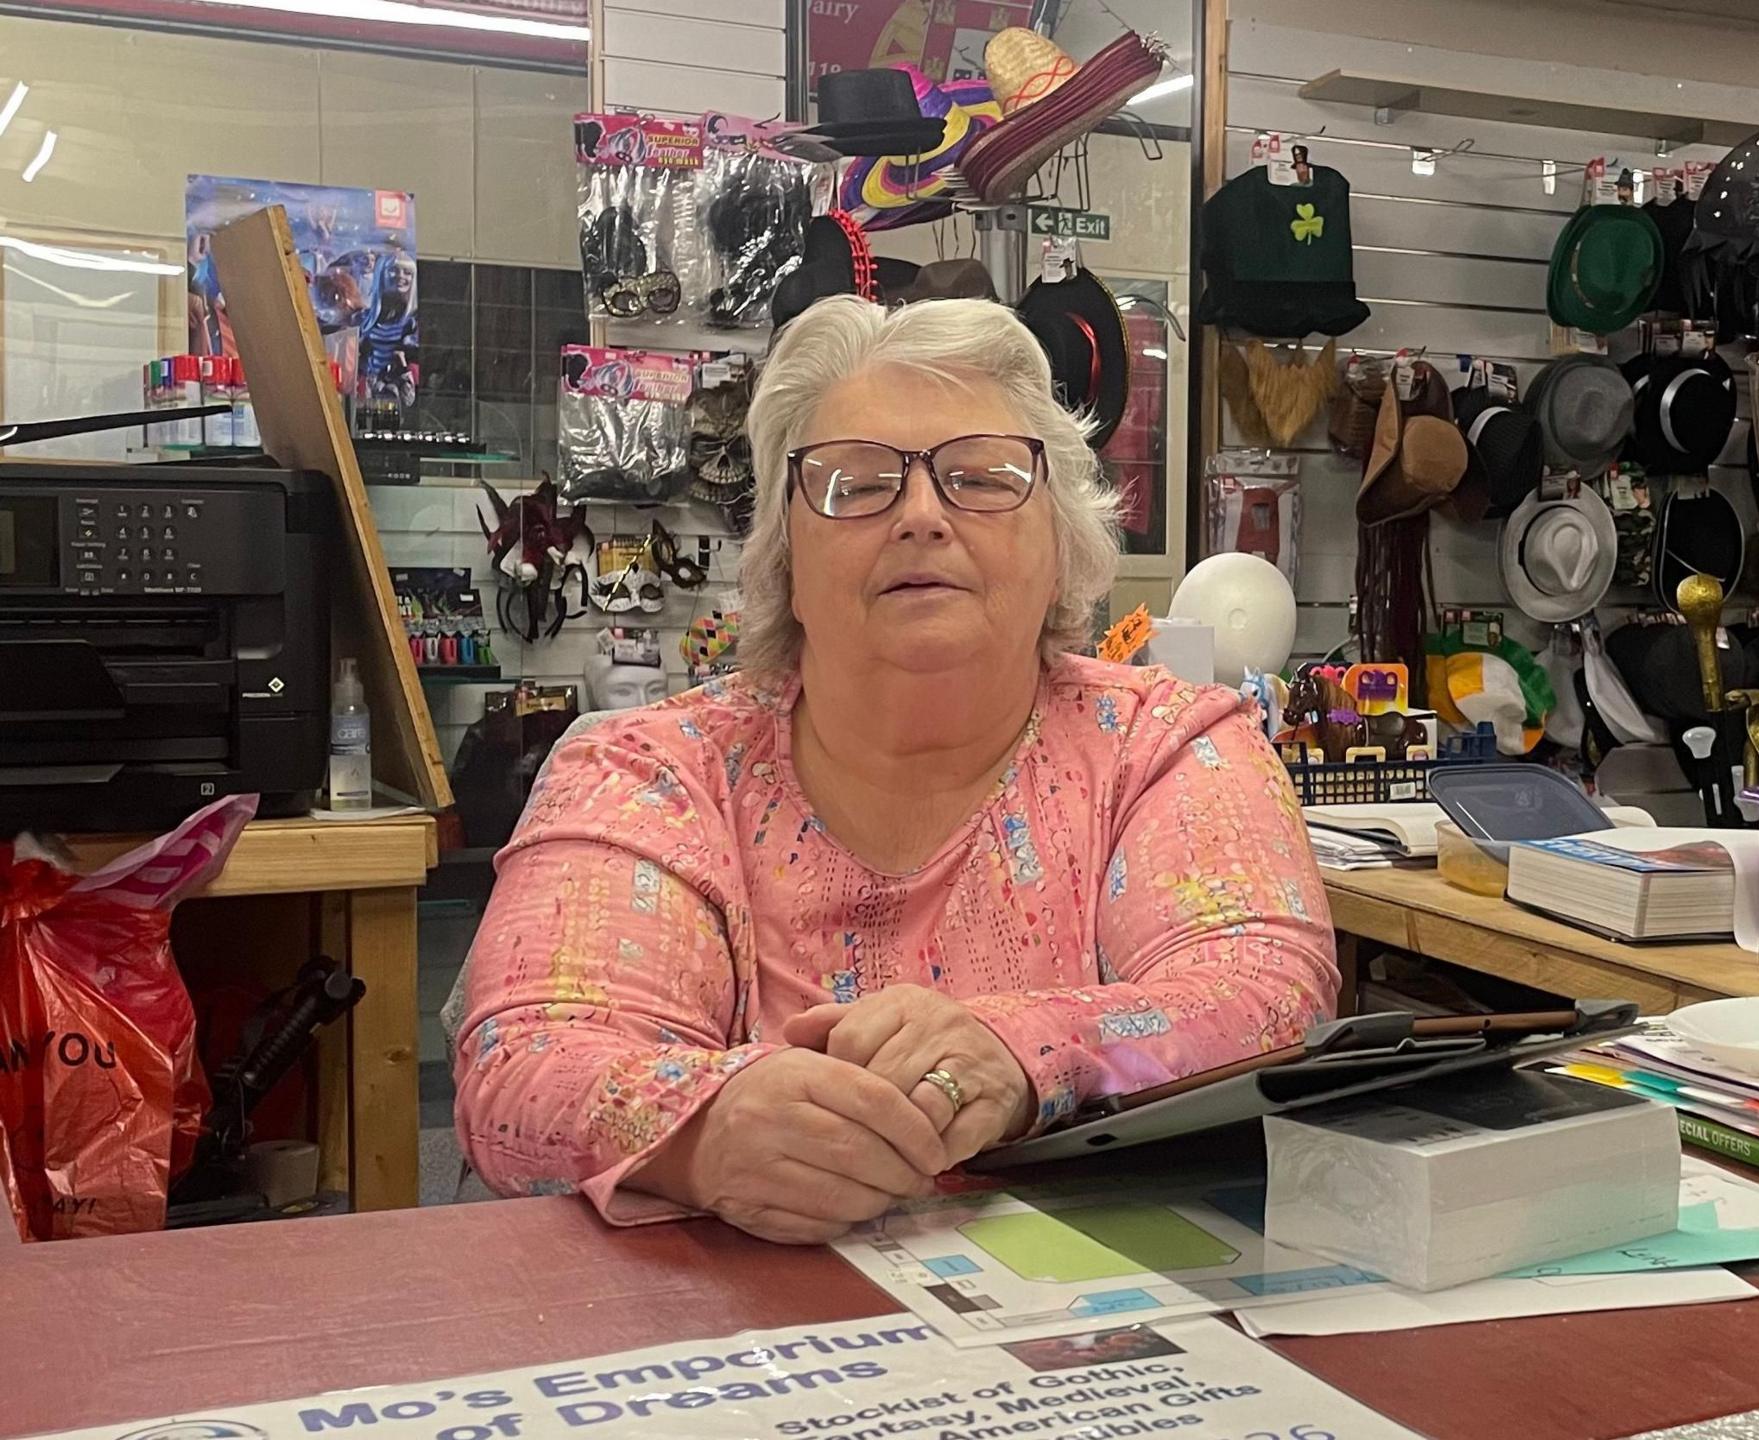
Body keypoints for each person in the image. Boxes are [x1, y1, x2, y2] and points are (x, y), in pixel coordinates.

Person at [453, 296, 1338, 1243]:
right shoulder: (646, 771)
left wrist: (1019, 1049)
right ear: (785, 553)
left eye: (983, 477)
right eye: (857, 484)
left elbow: (1268, 995)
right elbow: (525, 1062)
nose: (921, 516)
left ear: (1063, 543)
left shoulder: (1167, 745)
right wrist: (703, 1129)